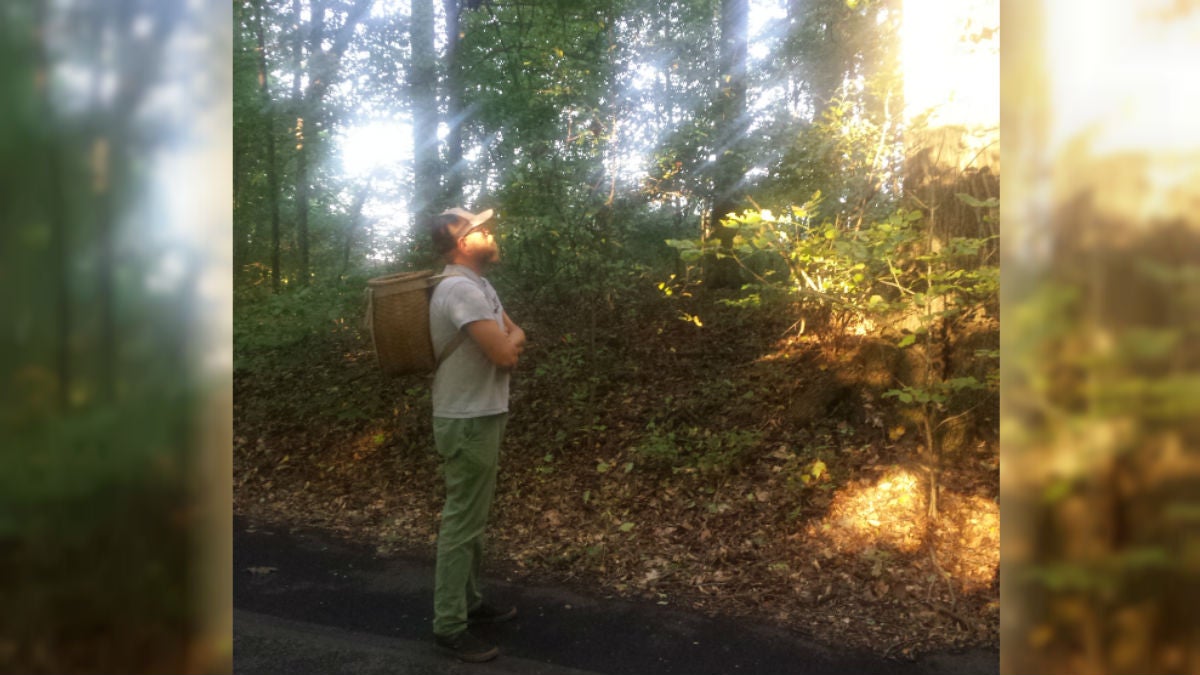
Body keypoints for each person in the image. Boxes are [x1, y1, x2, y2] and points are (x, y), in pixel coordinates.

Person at [426, 207, 526, 663]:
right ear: (463, 243)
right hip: (466, 418)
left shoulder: (482, 286)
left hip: (483, 413)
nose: (491, 233)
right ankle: (449, 624)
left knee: (474, 520)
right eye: (481, 229)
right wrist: (514, 337)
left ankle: (469, 601)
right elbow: (506, 352)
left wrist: (512, 337)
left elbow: (513, 337)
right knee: (462, 521)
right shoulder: (460, 290)